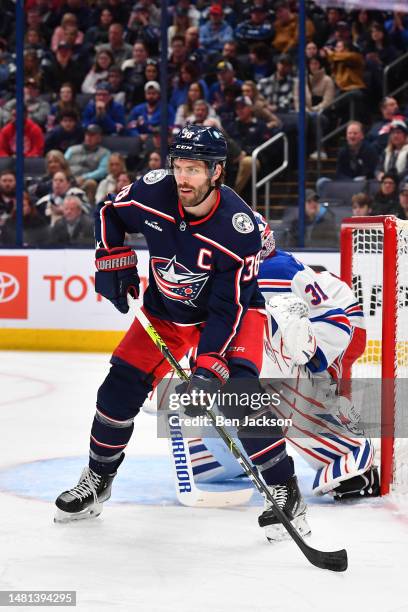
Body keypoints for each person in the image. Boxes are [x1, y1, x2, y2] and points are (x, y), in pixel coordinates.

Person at [54, 125, 309, 544]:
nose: (183, 178)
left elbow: (231, 307)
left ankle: (286, 490)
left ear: (216, 172)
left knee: (238, 394)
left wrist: (209, 367)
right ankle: (98, 480)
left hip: (228, 317)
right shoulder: (153, 192)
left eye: (194, 168)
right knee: (116, 391)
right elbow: (109, 213)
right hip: (165, 315)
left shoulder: (237, 228)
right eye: (178, 166)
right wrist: (110, 259)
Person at [64, 124, 110, 205]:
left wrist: (84, 177)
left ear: (99, 138)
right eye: (87, 134)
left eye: (92, 135)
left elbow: (103, 171)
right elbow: (62, 164)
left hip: (85, 182)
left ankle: (89, 210)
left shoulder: (104, 153)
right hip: (68, 179)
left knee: (91, 183)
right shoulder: (72, 150)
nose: (89, 137)